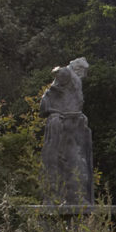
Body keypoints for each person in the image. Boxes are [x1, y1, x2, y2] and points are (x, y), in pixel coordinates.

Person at [39, 58, 93, 204]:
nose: (84, 75)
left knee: (74, 162)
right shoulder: (69, 74)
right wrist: (62, 70)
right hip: (63, 124)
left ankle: (72, 197)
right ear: (78, 69)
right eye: (83, 71)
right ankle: (59, 197)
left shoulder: (72, 81)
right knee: (64, 161)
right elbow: (57, 71)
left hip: (71, 124)